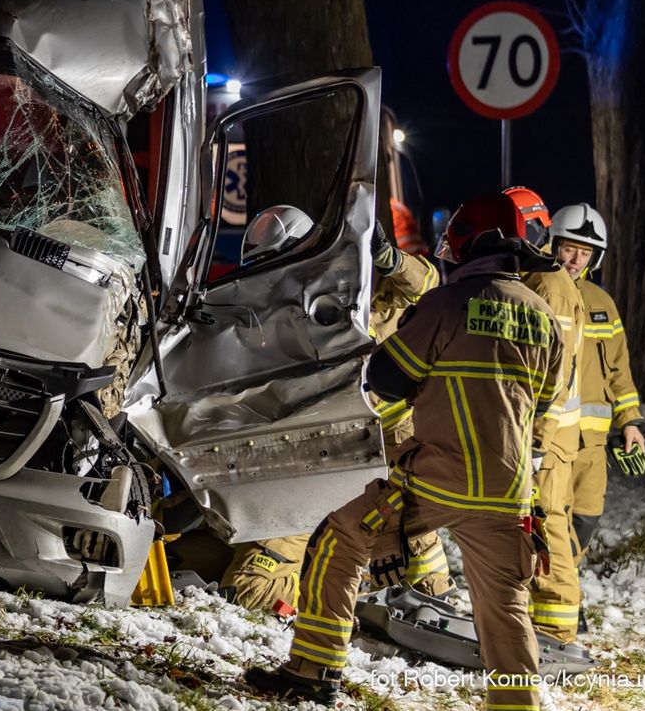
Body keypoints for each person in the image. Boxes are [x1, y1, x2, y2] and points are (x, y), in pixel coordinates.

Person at [245, 193, 563, 709]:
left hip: (438, 476)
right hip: (508, 492)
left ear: (466, 246)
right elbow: (544, 402)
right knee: (506, 608)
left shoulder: (446, 305)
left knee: (338, 537)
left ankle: (313, 669)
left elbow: (386, 379)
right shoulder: (543, 317)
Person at [216, 218, 451, 614]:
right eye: (269, 269)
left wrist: (390, 259)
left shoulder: (369, 297)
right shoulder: (264, 327)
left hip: (386, 458)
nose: (279, 280)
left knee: (416, 556)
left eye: (285, 264)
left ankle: (402, 597)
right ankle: (346, 592)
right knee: (248, 587)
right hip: (309, 470)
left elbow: (428, 288)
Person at [504, 186, 587, 644]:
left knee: (548, 520)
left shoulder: (549, 286)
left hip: (549, 436)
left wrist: (536, 440)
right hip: (542, 431)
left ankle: (557, 629)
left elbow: (552, 373)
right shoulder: (539, 278)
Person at [547, 204, 645, 578]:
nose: (575, 259)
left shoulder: (602, 303)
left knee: (585, 521)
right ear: (553, 243)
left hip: (593, 443)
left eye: (585, 252)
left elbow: (619, 370)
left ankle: (561, 591)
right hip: (552, 439)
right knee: (550, 522)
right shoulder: (537, 291)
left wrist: (631, 423)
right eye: (570, 248)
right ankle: (555, 599)